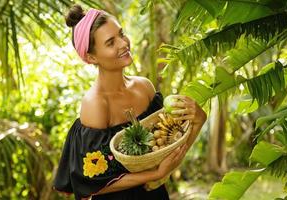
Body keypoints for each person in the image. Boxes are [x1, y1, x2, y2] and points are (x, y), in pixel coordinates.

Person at [53, 4, 207, 200]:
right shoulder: (96, 104)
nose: (123, 43)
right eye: (110, 42)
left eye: (121, 34)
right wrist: (156, 174)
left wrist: (198, 120)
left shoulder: (144, 88)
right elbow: (91, 182)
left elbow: (169, 147)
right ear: (91, 57)